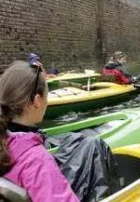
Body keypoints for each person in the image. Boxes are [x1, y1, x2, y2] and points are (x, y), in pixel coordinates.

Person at [0, 61, 120, 201]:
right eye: (47, 94)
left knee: (87, 143)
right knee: (94, 145)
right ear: (37, 101)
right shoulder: (36, 160)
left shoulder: (5, 140)